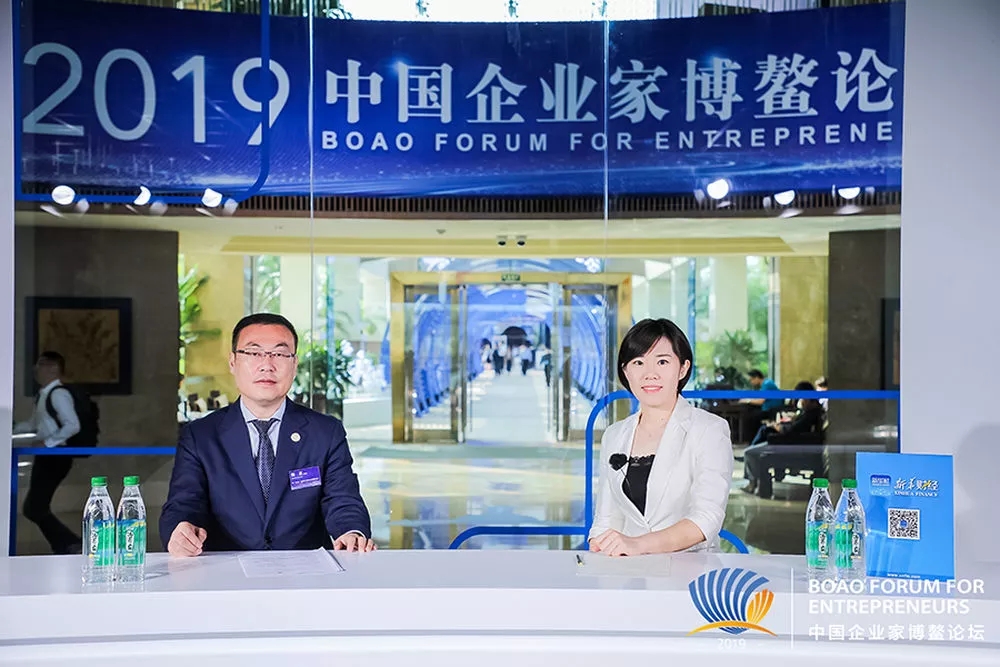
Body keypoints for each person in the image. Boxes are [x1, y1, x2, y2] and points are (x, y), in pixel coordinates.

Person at [160, 313, 375, 556]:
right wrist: (181, 529)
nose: (267, 365)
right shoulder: (200, 436)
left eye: (280, 354)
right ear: (233, 362)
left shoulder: (325, 432)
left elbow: (343, 499)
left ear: (294, 364)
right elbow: (184, 503)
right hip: (226, 568)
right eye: (254, 353)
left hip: (306, 570)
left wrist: (351, 532)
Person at [589, 319, 733, 556]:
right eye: (638, 362)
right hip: (628, 568)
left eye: (662, 362)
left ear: (683, 369)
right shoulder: (614, 435)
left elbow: (706, 518)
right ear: (625, 372)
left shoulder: (709, 429)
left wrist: (639, 545)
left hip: (690, 569)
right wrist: (599, 548)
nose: (650, 374)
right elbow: (606, 519)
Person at [13, 351, 83, 554]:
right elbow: (34, 425)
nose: (36, 369)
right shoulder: (43, 395)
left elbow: (73, 425)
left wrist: (48, 443)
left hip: (55, 457)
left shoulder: (58, 394)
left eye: (41, 365)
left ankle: (70, 544)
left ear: (53, 368)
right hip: (47, 456)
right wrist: (12, 427)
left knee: (34, 507)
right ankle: (67, 545)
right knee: (34, 507)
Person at [742, 381, 826, 495]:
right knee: (762, 436)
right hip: (792, 443)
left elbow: (793, 430)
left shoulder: (811, 414)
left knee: (749, 453)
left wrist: (780, 428)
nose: (801, 401)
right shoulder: (812, 411)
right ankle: (755, 482)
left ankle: (753, 483)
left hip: (790, 446)